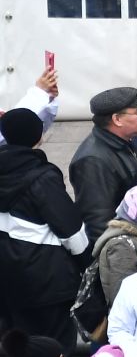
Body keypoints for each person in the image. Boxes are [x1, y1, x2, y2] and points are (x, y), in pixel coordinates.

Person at [0, 107, 88, 339]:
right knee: (56, 353)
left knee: (23, 351)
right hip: (48, 279)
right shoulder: (43, 176)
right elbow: (71, 231)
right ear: (39, 136)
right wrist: (86, 264)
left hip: (7, 278)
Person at [71, 86, 137, 244]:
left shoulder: (122, 142)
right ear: (117, 119)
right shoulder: (93, 161)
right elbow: (98, 223)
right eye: (136, 112)